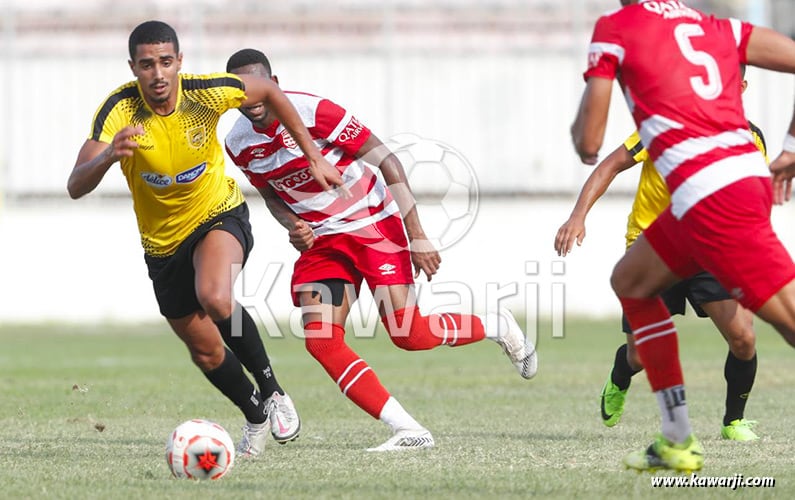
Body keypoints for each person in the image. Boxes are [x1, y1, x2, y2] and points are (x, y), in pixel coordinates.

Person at [223, 48, 537, 451]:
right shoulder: (237, 142)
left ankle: (497, 325)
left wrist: (417, 234)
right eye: (239, 92)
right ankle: (408, 430)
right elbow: (270, 193)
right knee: (321, 340)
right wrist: (293, 226)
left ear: (275, 84)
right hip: (323, 243)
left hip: (373, 226)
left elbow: (387, 161)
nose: (250, 101)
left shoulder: (316, 112)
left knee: (411, 334)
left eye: (257, 89)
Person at [67, 20, 349, 458]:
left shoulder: (205, 91)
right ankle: (254, 414)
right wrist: (109, 155)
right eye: (146, 65)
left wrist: (313, 156)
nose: (158, 74)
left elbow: (270, 91)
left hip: (219, 213)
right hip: (162, 246)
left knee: (215, 296)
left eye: (165, 62)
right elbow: (75, 184)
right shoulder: (119, 110)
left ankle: (273, 392)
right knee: (206, 352)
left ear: (179, 62)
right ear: (133, 68)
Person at [571, 0, 795, 473]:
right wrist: (792, 147)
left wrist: (592, 89)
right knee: (630, 281)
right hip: (703, 199)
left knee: (782, 325)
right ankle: (676, 440)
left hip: (715, 198)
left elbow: (589, 144)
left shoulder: (616, 27)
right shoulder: (717, 26)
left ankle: (687, 434)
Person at [557, 66, 765, 442]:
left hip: (709, 252)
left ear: (743, 87)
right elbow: (612, 164)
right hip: (652, 250)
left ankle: (733, 421)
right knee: (641, 356)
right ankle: (621, 374)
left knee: (743, 338)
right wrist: (577, 216)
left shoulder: (751, 139)